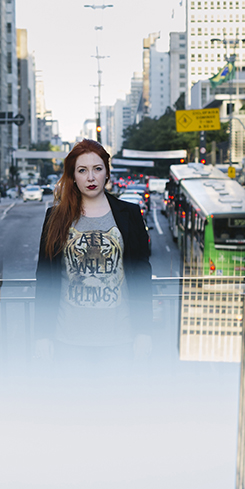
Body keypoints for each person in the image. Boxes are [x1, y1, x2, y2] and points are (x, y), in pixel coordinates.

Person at [35, 139, 152, 361]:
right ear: (73, 176)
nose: (91, 177)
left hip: (120, 339)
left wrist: (144, 331)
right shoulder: (55, 217)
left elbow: (142, 277)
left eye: (97, 169)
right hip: (67, 340)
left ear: (107, 174)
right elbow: (45, 279)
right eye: (82, 170)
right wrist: (42, 335)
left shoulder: (130, 214)